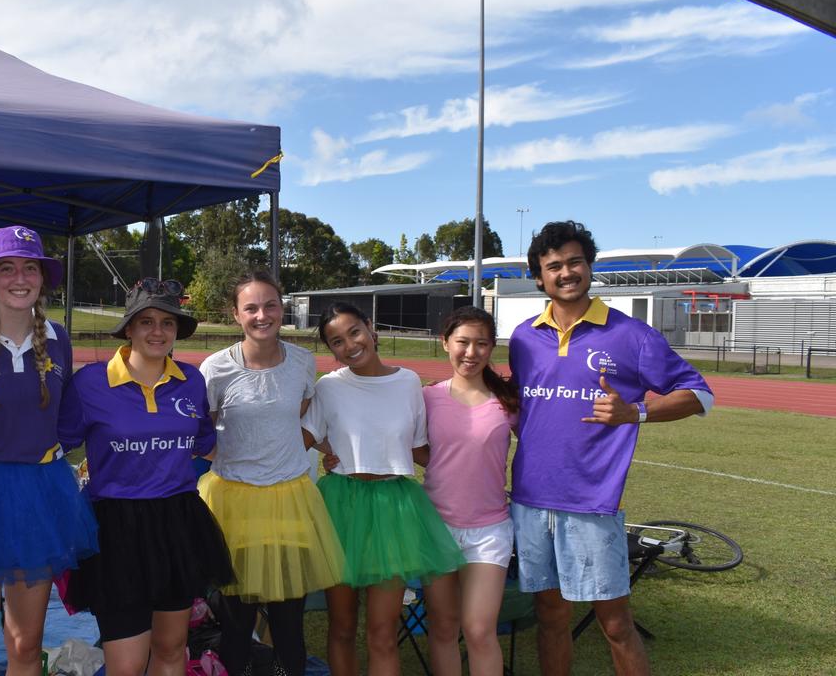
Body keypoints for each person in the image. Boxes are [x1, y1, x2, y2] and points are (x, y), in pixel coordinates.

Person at [510, 221, 712, 676]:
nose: (567, 272)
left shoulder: (631, 335)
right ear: (539, 277)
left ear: (589, 267)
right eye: (554, 266)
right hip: (528, 500)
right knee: (549, 617)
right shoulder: (524, 337)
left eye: (575, 262)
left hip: (592, 504)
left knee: (616, 623)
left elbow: (700, 395)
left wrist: (635, 412)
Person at [0, 226, 98, 676]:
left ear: (43, 278)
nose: (20, 278)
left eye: (30, 268)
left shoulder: (58, 338)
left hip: (38, 497)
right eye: (7, 268)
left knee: (26, 647)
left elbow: (66, 417)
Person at [59, 280, 234, 676]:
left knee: (171, 649)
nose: (157, 332)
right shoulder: (90, 383)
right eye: (146, 322)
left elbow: (205, 444)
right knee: (126, 663)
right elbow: (57, 444)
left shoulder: (191, 380)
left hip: (177, 524)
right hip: (115, 529)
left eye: (168, 323)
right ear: (129, 329)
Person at [304, 302, 464, 676]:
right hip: (340, 507)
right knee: (341, 627)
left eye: (354, 332)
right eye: (337, 341)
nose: (350, 345)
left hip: (394, 511)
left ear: (370, 328)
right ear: (332, 350)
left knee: (382, 633)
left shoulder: (408, 381)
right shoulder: (328, 387)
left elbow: (419, 446)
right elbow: (304, 436)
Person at [197, 272, 344, 676]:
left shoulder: (301, 362)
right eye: (251, 308)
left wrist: (327, 451)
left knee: (288, 621)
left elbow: (300, 418)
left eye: (271, 305)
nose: (262, 315)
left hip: (289, 498)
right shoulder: (215, 368)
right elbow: (201, 433)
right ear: (236, 314)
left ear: (282, 308)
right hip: (233, 502)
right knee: (237, 621)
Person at [420, 306, 520, 676]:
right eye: (462, 342)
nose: (471, 352)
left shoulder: (507, 401)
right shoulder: (428, 398)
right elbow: (406, 445)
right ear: (446, 343)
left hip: (490, 530)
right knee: (443, 628)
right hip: (436, 527)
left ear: (492, 347)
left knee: (479, 630)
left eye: (481, 343)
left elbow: (542, 444)